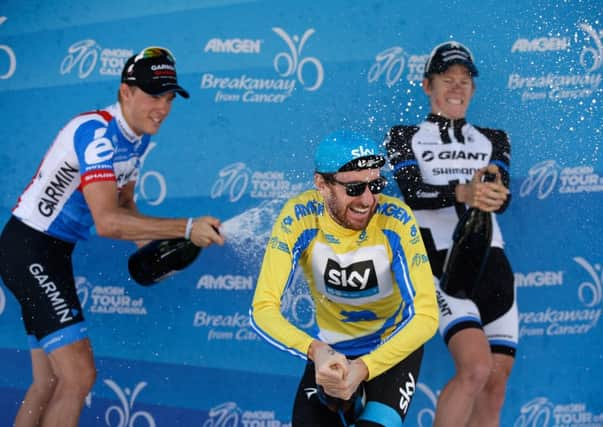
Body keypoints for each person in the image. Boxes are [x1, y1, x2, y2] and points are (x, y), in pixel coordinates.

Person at [0, 46, 224, 427]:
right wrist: (186, 227)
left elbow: (125, 205)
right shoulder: (97, 134)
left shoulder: (137, 138)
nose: (163, 107)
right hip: (31, 249)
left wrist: (157, 249)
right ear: (126, 92)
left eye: (169, 97)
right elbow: (106, 222)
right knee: (78, 376)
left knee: (48, 380)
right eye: (154, 95)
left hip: (45, 252)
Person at [250, 130, 438, 427]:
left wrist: (363, 368)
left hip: (391, 350)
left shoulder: (395, 218)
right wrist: (318, 351)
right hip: (331, 351)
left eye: (375, 185)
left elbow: (427, 315)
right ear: (321, 185)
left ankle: (359, 398)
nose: (367, 200)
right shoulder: (300, 217)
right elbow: (262, 309)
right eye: (354, 189)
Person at [385, 41, 517, 427]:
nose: (457, 87)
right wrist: (463, 191)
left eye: (464, 81)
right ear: (428, 85)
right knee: (475, 369)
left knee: (495, 383)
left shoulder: (495, 138)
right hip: (440, 266)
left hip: (494, 266)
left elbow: (501, 196)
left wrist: (492, 190)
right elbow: (413, 193)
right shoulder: (403, 136)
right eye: (448, 79)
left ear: (473, 90)